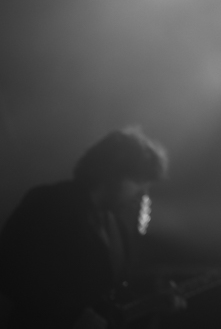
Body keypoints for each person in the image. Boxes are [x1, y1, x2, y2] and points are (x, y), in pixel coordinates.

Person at [0, 126, 169, 328]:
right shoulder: (49, 203)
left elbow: (107, 300)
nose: (143, 194)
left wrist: (152, 306)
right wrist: (68, 317)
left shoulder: (117, 227)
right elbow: (11, 270)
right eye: (139, 181)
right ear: (112, 171)